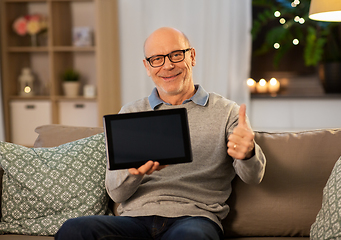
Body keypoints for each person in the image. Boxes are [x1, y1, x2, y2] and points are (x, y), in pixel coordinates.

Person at [55, 27, 266, 240]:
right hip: (133, 221)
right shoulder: (131, 113)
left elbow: (253, 176)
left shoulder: (228, 111)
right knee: (74, 230)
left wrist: (248, 153)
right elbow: (116, 193)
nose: (167, 65)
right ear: (147, 67)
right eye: (157, 58)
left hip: (194, 219)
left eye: (176, 54)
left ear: (191, 57)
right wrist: (134, 173)